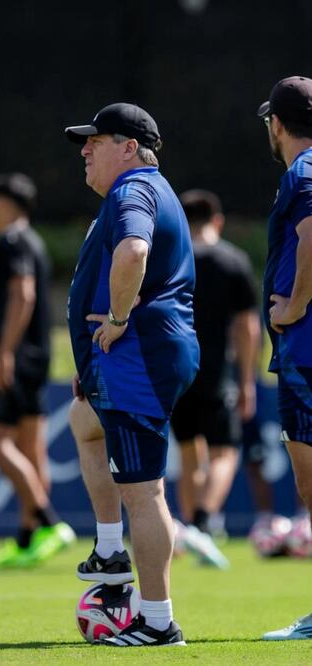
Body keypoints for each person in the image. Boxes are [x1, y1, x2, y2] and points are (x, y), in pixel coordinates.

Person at [64, 103, 198, 647]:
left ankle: (158, 621)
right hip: (128, 359)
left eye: (97, 140)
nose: (85, 150)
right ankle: (109, 547)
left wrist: (118, 321)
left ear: (128, 147)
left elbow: (134, 251)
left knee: (144, 491)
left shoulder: (134, 189)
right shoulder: (142, 189)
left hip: (138, 356)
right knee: (83, 421)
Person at [0, 173, 75, 569]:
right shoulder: (34, 240)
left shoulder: (12, 240)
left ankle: (49, 521)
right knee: (32, 448)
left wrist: (4, 353)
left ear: (4, 203)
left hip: (19, 356)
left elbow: (23, 293)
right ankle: (26, 539)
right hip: (38, 356)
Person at [168, 189, 259, 569]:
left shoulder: (172, 258)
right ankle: (203, 522)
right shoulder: (233, 261)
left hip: (175, 372)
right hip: (216, 374)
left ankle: (191, 531)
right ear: (216, 221)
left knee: (190, 452)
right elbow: (247, 327)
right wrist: (247, 380)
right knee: (224, 451)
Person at [257, 75, 312, 641]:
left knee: (310, 477)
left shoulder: (304, 171)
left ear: (276, 123)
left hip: (307, 348)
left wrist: (295, 303)